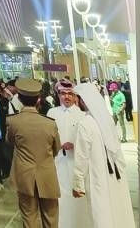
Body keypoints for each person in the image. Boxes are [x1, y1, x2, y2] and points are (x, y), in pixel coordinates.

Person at [72, 83, 135, 228]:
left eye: (78, 98)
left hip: (97, 176)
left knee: (101, 212)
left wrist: (77, 183)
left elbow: (81, 157)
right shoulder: (106, 119)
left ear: (84, 100)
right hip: (116, 175)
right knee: (118, 211)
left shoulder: (85, 123)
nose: (76, 101)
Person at [5, 77, 61, 228]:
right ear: (38, 100)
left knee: (29, 216)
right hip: (47, 175)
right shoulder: (50, 123)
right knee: (51, 217)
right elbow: (56, 149)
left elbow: (10, 141)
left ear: (20, 100)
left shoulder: (13, 121)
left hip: (24, 175)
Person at [47, 81, 91, 227]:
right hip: (57, 161)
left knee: (76, 197)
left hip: (75, 162)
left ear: (75, 96)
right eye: (63, 93)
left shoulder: (82, 115)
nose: (66, 96)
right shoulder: (52, 113)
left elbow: (88, 141)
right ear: (58, 95)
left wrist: (75, 144)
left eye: (70, 94)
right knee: (60, 195)